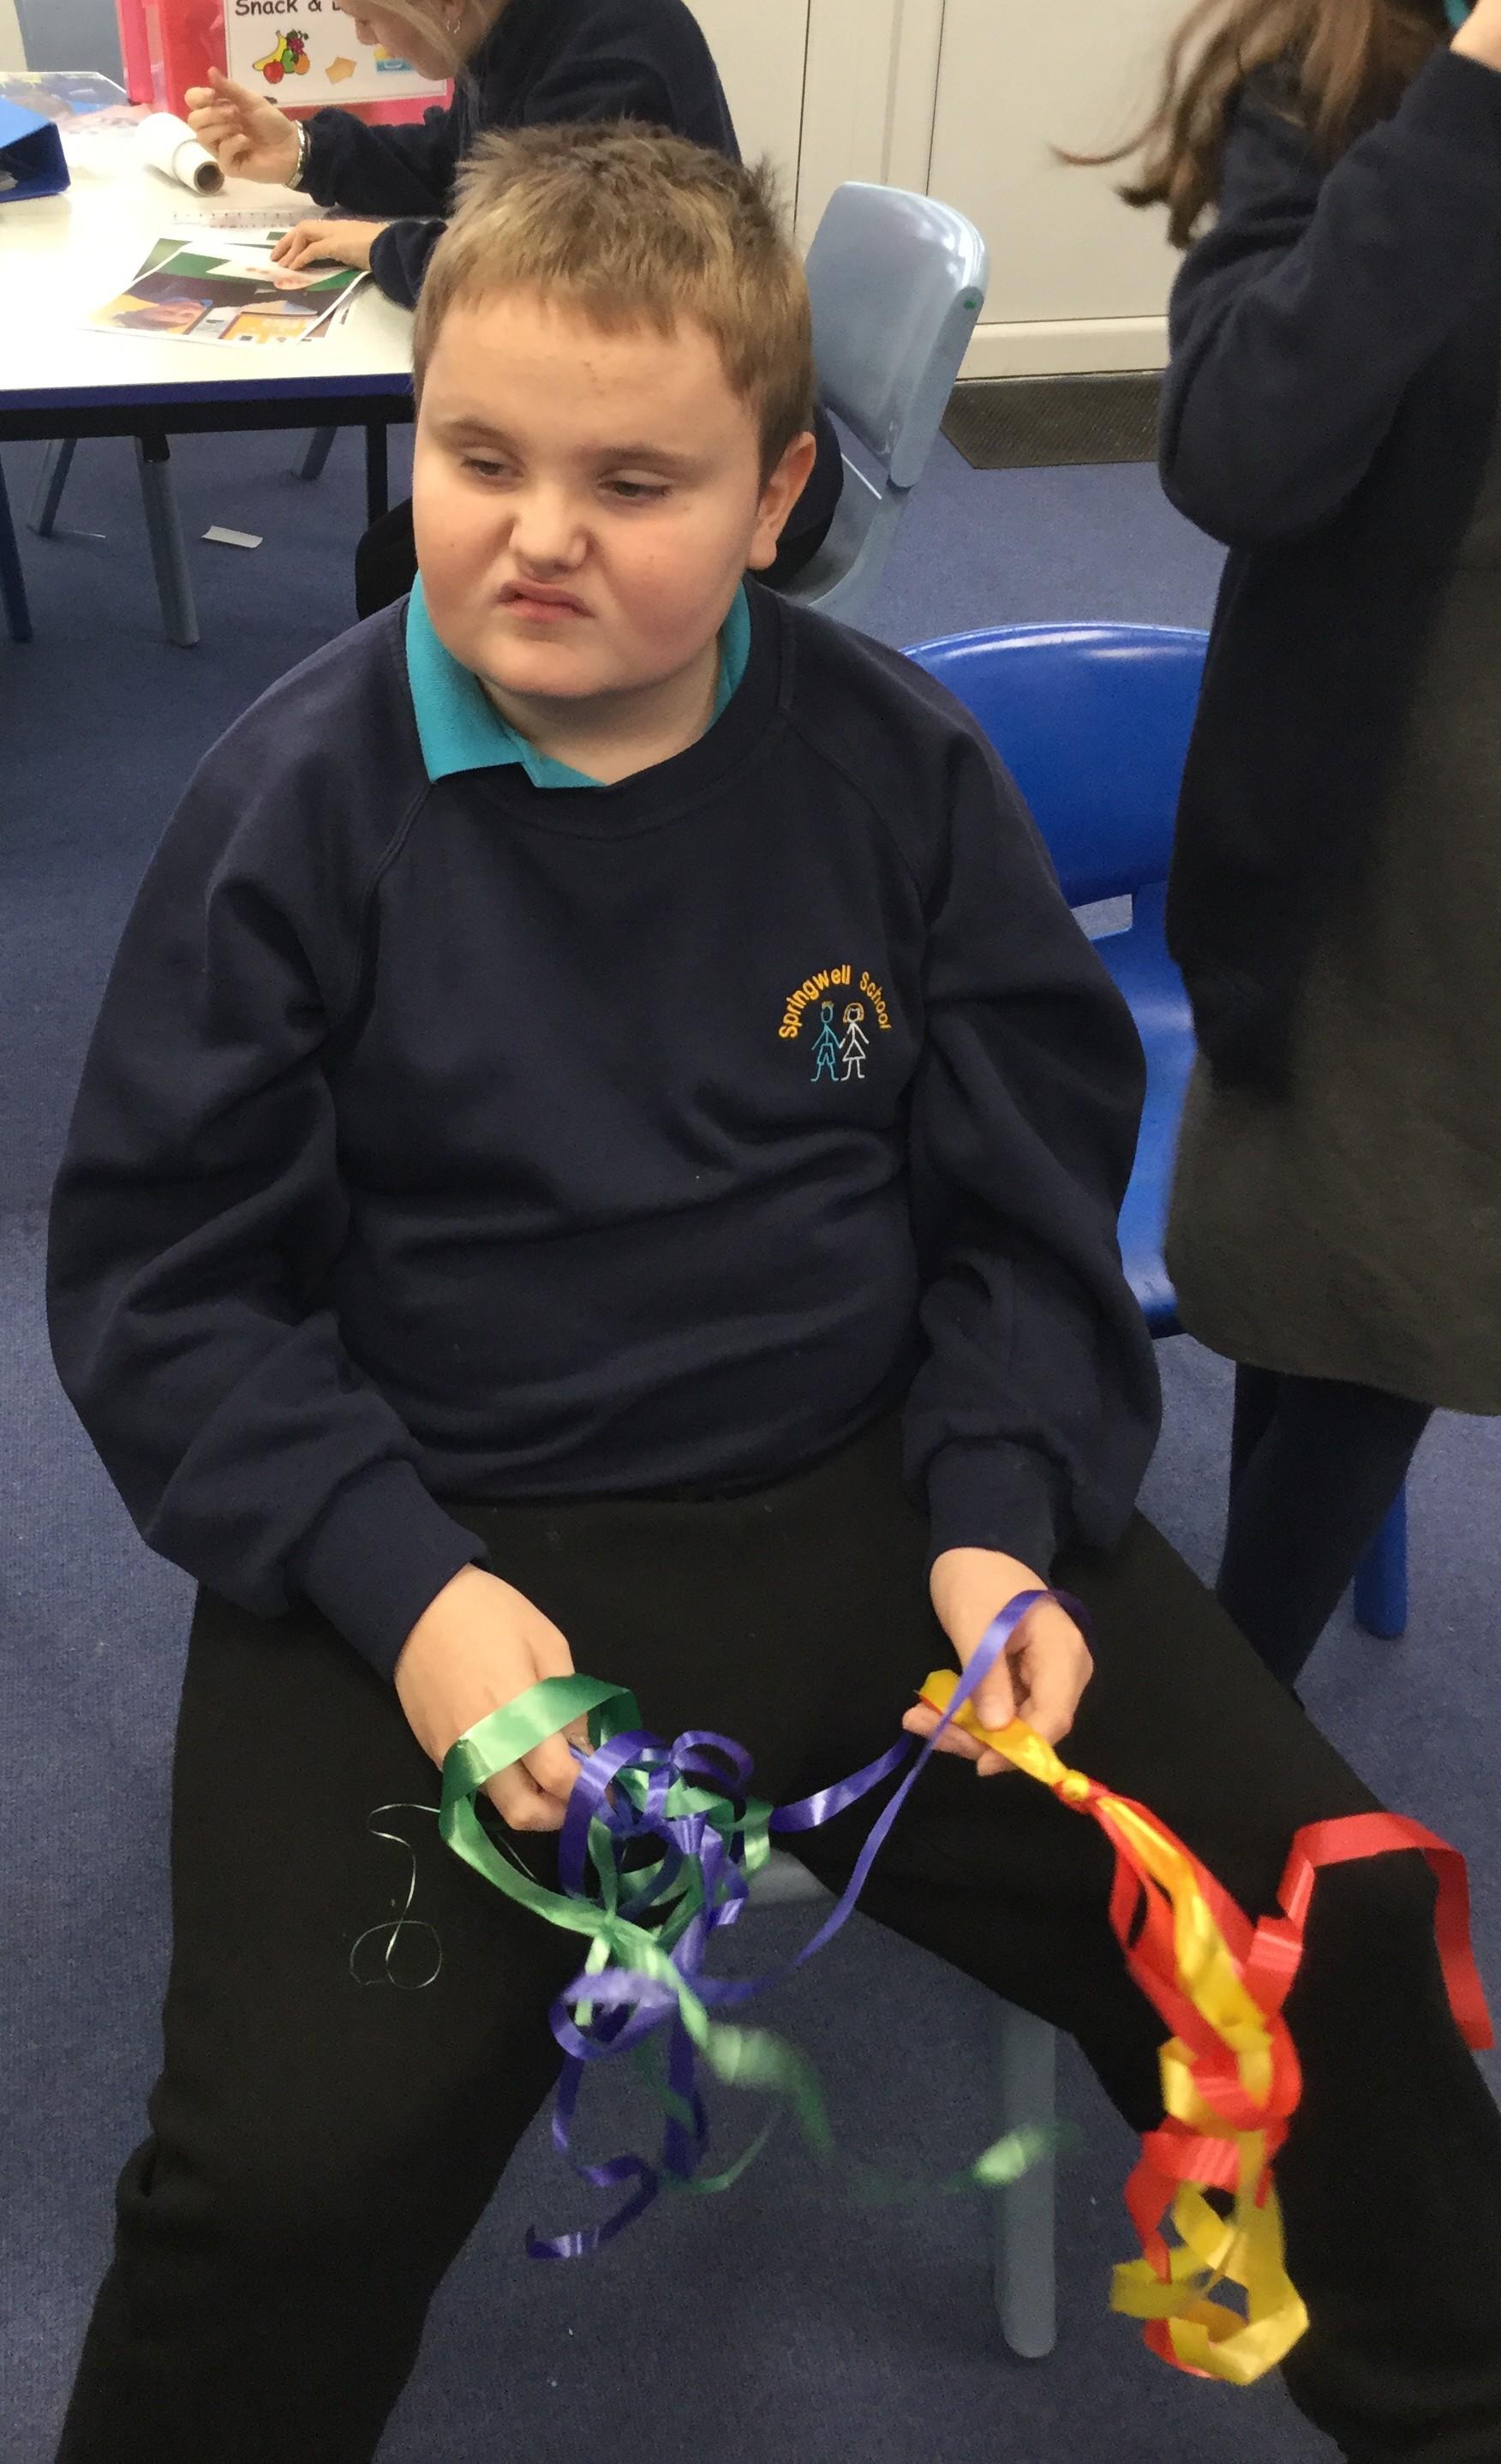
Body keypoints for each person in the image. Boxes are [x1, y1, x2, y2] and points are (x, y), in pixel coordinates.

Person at [46, 123, 1501, 2464]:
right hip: (437, 1534)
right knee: (281, 2180)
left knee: (1314, 1959)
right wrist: (407, 1590)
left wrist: (1001, 1510)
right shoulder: (296, 803)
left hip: (877, 1497)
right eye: (479, 456)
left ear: (776, 492)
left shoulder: (897, 772)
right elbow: (170, 1284)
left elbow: (1024, 1201)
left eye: (634, 480)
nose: (537, 530)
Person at [1099, 0, 1501, 1689]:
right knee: (1326, 1274)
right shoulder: (1351, 79)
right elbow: (1240, 449)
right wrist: (1470, 109)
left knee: (1386, 1300)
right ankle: (1231, 1709)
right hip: (1368, 852)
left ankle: (1224, 1705)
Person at [184, 0, 843, 607]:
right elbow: (458, 163)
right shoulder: (512, 26)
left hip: (718, 469)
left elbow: (543, 280)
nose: (362, 36)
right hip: (613, 430)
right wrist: (305, 153)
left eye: (368, 17)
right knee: (401, 558)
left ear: (444, 5)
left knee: (404, 574)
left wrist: (382, 246)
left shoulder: (612, 61)